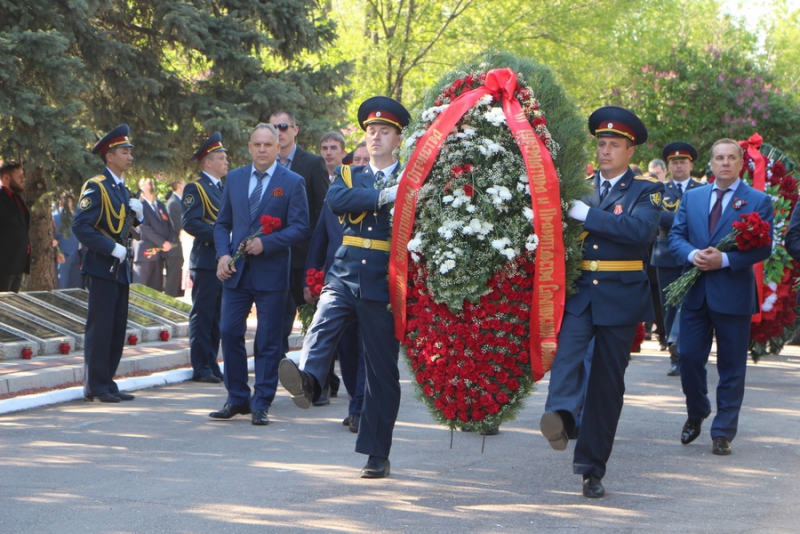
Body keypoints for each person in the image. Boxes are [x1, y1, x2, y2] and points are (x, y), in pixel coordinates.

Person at [278, 96, 410, 479]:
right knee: (324, 318)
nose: (376, 137)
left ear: (398, 139)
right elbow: (337, 200)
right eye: (371, 132)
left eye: (384, 132)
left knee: (382, 373)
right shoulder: (352, 174)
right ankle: (308, 378)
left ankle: (376, 451)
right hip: (345, 272)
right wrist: (383, 197)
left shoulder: (411, 180)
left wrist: (394, 193)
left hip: (385, 282)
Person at [539, 106, 664, 498]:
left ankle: (591, 468)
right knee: (566, 356)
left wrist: (588, 215)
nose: (606, 151)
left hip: (620, 293)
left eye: (614, 145)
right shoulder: (581, 185)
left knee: (607, 384)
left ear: (630, 151)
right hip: (581, 291)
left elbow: (640, 231)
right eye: (602, 143)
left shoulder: (647, 190)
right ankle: (562, 417)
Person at [668, 138, 773, 456]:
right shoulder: (694, 197)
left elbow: (763, 246)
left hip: (733, 295)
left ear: (741, 163)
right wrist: (693, 254)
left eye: (731, 158)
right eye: (719, 158)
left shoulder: (757, 200)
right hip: (696, 293)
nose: (725, 163)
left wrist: (724, 260)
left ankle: (723, 432)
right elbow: (676, 236)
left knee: (731, 366)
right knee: (688, 358)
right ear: (710, 164)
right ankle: (697, 411)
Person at [211, 123, 310, 425]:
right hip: (236, 273)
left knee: (267, 340)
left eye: (268, 145)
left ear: (278, 147)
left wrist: (265, 243)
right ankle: (237, 397)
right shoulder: (236, 179)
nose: (263, 150)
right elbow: (221, 224)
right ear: (250, 147)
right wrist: (223, 254)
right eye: (257, 145)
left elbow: (300, 227)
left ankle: (261, 401)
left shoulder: (292, 182)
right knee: (229, 331)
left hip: (272, 273)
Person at [72, 124, 144, 403]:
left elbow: (121, 225)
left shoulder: (122, 188)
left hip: (121, 268)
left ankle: (107, 380)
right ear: (109, 156)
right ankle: (95, 386)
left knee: (116, 328)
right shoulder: (96, 186)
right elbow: (82, 226)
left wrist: (137, 218)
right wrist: (110, 248)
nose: (130, 156)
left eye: (129, 152)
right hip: (103, 266)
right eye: (124, 152)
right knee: (100, 328)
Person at [303, 131, 367, 428]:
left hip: (369, 283)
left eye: (366, 161)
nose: (361, 165)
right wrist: (310, 278)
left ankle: (360, 407)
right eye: (358, 161)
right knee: (346, 349)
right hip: (337, 282)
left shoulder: (378, 195)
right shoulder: (334, 195)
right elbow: (319, 240)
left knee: (365, 348)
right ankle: (349, 399)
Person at [268, 111, 330, 364]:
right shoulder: (265, 166)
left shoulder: (313, 163)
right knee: (276, 321)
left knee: (315, 322)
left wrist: (319, 257)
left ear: (295, 129)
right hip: (273, 256)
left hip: (305, 259)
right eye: (273, 128)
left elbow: (323, 213)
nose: (279, 132)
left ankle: (321, 382)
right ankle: (273, 375)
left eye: (283, 127)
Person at [651, 142, 704, 375]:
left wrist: (679, 219)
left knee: (693, 303)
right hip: (667, 255)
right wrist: (686, 219)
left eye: (683, 161)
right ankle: (675, 351)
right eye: (674, 162)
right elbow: (657, 217)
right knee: (670, 305)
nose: (678, 165)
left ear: (691, 164)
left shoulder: (702, 188)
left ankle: (682, 347)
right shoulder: (660, 189)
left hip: (696, 253)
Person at [183, 132, 227, 384]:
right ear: (208, 162)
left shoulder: (223, 187)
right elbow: (190, 223)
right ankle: (200, 366)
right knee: (203, 314)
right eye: (220, 158)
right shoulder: (196, 188)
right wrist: (221, 236)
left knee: (216, 317)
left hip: (221, 261)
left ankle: (211, 362)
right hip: (206, 260)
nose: (225, 162)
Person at [132, 177, 172, 290]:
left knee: (156, 290)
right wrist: (162, 242)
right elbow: (143, 227)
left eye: (153, 184)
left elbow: (169, 224)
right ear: (141, 187)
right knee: (140, 289)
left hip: (160, 254)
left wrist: (169, 241)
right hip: (145, 253)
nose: (151, 186)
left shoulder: (159, 205)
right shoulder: (138, 205)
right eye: (148, 184)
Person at [0, 160, 30, 292]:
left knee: (13, 305)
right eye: (19, 176)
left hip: (17, 262)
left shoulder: (17, 197)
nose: (23, 179)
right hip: (3, 265)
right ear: (6, 177)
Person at [53, 193, 83, 289]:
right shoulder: (56, 218)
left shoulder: (78, 217)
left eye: (70, 201)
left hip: (78, 255)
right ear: (61, 203)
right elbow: (53, 237)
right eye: (67, 201)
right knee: (63, 285)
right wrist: (58, 252)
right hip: (63, 256)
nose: (69, 204)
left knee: (76, 285)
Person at [164, 178, 185, 297]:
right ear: (179, 185)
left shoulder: (180, 201)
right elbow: (178, 226)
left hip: (182, 247)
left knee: (177, 283)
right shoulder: (173, 203)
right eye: (184, 182)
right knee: (172, 281)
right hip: (176, 247)